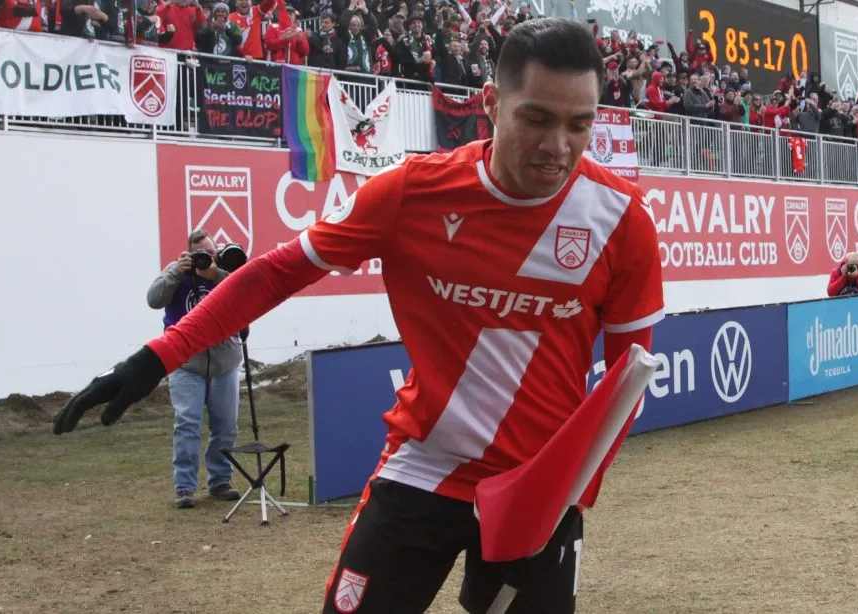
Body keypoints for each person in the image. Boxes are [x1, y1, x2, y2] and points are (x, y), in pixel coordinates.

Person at [52, 18, 664, 614]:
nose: (558, 146)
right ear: (490, 103)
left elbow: (623, 385)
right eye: (536, 118)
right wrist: (157, 356)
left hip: (539, 491)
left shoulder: (622, 218)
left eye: (578, 125)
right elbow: (276, 271)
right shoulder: (410, 192)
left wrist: (565, 494)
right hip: (423, 469)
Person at [145, 230, 243, 509]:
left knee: (226, 426)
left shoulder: (226, 272)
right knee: (187, 424)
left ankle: (220, 481)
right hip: (185, 362)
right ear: (188, 254)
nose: (207, 261)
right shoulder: (176, 271)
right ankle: (185, 488)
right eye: (202, 256)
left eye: (212, 254)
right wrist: (177, 271)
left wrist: (217, 275)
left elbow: (244, 294)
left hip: (224, 362)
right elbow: (153, 299)